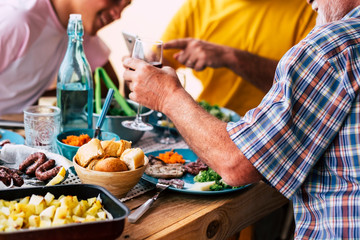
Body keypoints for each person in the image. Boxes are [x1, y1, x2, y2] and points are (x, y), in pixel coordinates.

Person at [123, 0, 360, 238]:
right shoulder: (198, 6)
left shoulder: (329, 45)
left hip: (250, 159)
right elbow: (161, 62)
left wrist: (167, 97)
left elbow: (237, 163)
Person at [160, 0, 317, 116]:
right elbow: (160, 61)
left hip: (271, 129)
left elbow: (307, 90)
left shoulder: (311, 10)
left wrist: (230, 57)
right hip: (209, 119)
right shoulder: (199, 4)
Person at [0, 0, 131, 115]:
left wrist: (50, 102)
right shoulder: (17, 20)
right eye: (115, 0)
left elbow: (109, 83)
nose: (117, 15)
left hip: (21, 123)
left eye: (125, 6)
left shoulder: (78, 28)